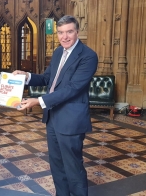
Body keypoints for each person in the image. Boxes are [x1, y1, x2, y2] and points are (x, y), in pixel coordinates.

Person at [13, 15, 98, 196]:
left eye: (69, 32)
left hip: (71, 119)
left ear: (77, 32)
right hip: (53, 117)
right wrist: (25, 76)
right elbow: (46, 79)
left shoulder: (88, 56)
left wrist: (39, 101)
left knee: (73, 167)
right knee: (57, 165)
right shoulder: (59, 52)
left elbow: (73, 88)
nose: (64, 36)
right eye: (60, 32)